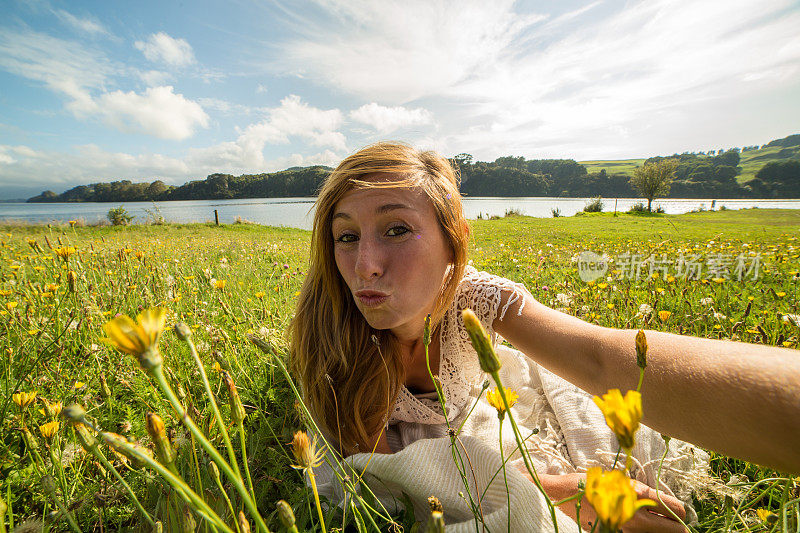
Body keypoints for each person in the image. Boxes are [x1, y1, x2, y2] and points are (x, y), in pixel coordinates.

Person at [289, 141, 800, 532]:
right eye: (346, 236)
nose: (365, 267)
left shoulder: (476, 299)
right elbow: (394, 473)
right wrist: (568, 489)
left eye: (396, 229)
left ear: (454, 243)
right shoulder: (338, 336)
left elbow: (601, 359)